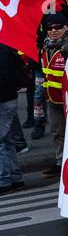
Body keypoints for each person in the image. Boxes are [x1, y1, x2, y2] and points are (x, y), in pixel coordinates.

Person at [38, 12, 68, 177]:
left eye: (58, 27)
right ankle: (60, 162)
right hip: (52, 97)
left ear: (66, 27)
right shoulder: (45, 45)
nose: (53, 31)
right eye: (49, 28)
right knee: (56, 131)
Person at [0, 42, 25, 194]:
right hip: (8, 97)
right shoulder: (5, 46)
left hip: (3, 99)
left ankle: (4, 180)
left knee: (1, 142)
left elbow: (2, 76)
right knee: (6, 140)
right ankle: (16, 177)